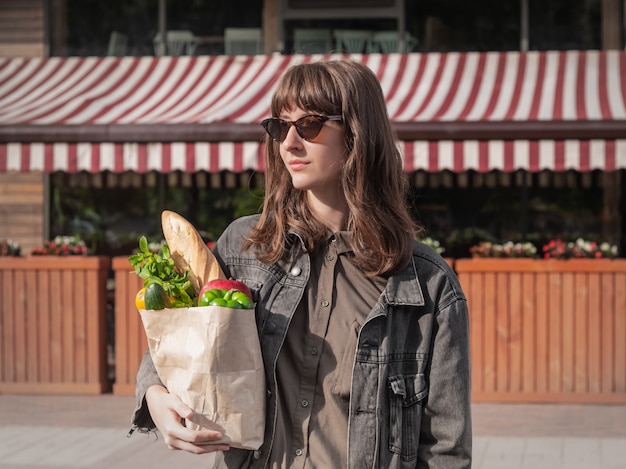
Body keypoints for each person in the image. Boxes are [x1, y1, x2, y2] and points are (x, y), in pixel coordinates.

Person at [131, 59, 472, 468]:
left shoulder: (426, 286)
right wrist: (155, 396)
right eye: (279, 127)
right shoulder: (244, 249)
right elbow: (179, 336)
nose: (289, 142)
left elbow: (445, 453)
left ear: (358, 134)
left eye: (309, 125)